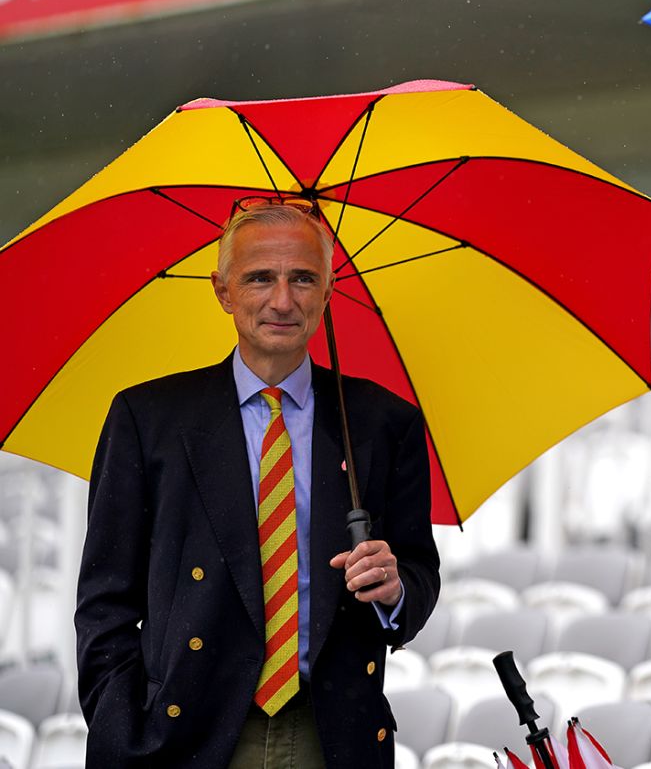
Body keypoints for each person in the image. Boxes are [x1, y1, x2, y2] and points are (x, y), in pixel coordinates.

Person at [75, 201, 441, 768]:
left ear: (328, 289)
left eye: (302, 278)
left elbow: (419, 578)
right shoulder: (147, 420)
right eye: (259, 279)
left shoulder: (383, 423)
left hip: (332, 736)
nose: (282, 301)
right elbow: (105, 603)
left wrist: (394, 592)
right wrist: (120, 725)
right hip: (182, 737)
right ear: (222, 292)